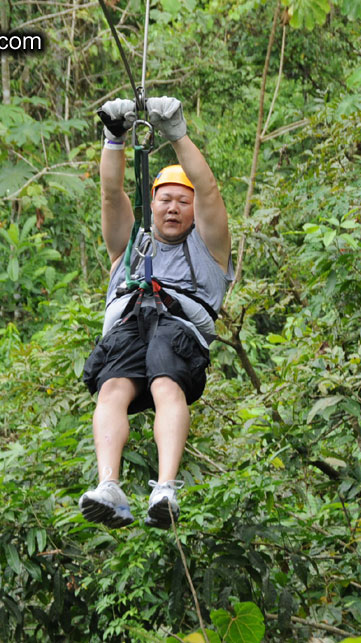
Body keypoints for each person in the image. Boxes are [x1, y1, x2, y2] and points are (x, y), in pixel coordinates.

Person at [79, 96, 233, 529]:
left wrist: (177, 134)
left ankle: (164, 486)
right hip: (129, 325)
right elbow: (111, 193)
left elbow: (209, 191)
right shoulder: (129, 246)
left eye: (182, 202)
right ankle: (108, 484)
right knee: (111, 390)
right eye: (164, 199)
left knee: (166, 382)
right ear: (151, 205)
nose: (173, 208)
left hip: (177, 328)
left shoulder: (209, 249)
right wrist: (114, 140)